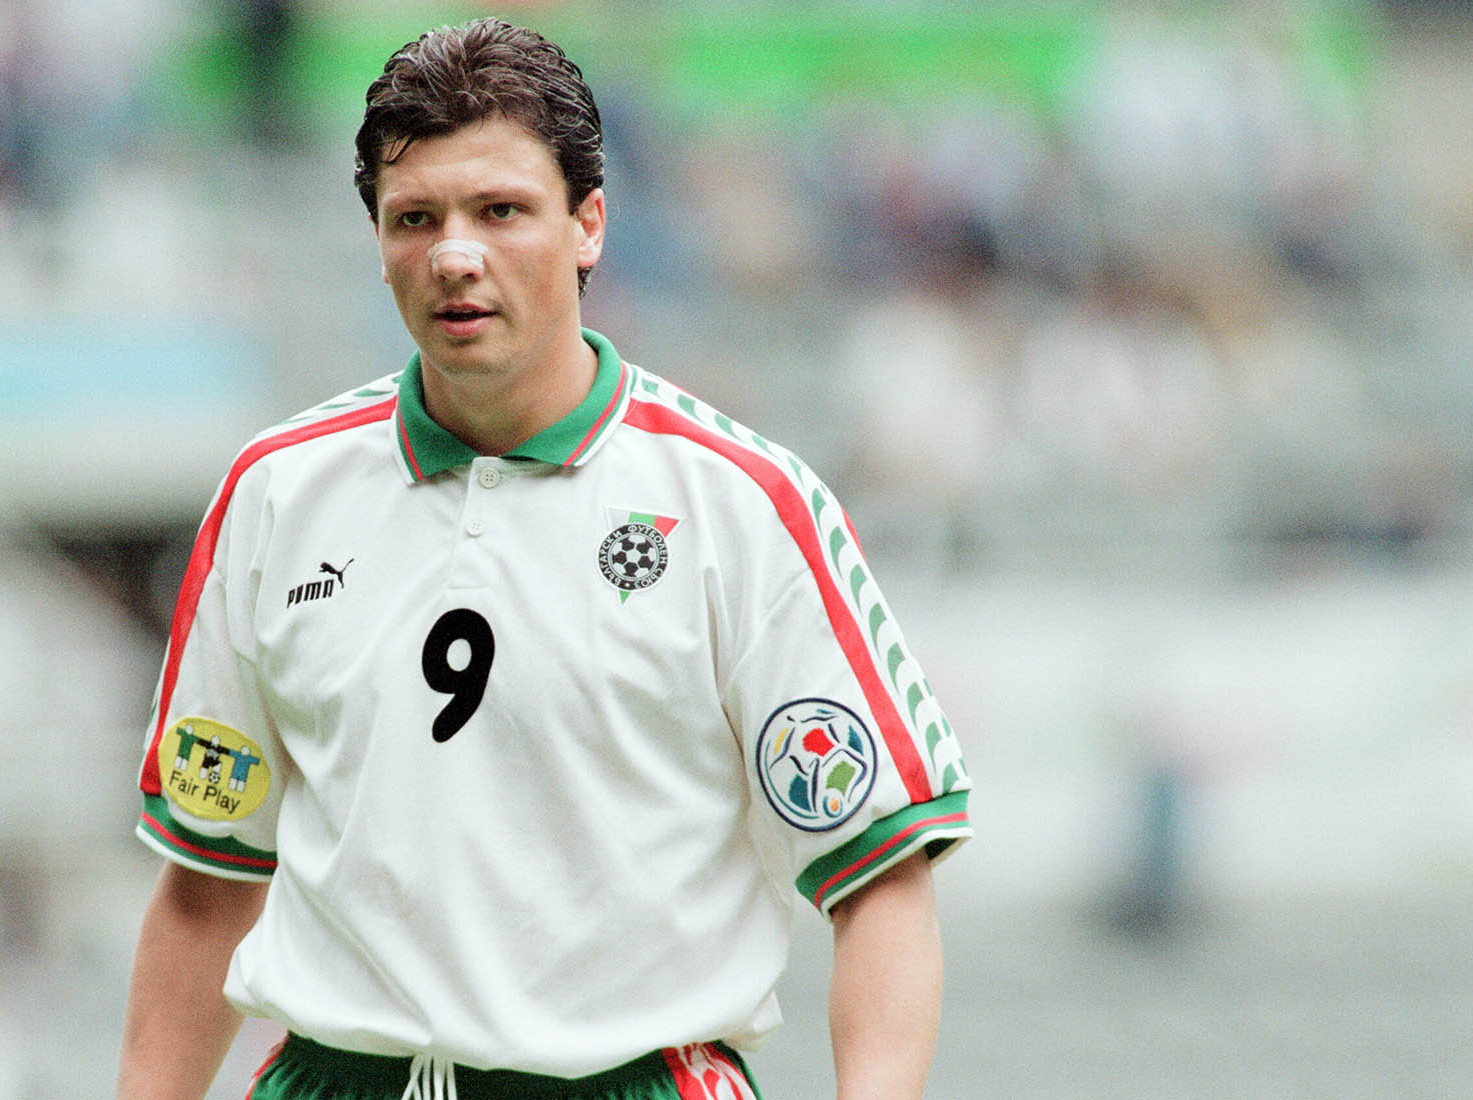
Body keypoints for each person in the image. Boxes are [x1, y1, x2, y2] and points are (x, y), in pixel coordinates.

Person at [118, 18, 972, 1100]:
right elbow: (207, 880)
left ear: (588, 225)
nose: (454, 254)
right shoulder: (276, 494)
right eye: (415, 218)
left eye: (501, 211)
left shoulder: (740, 505)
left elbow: (880, 880)